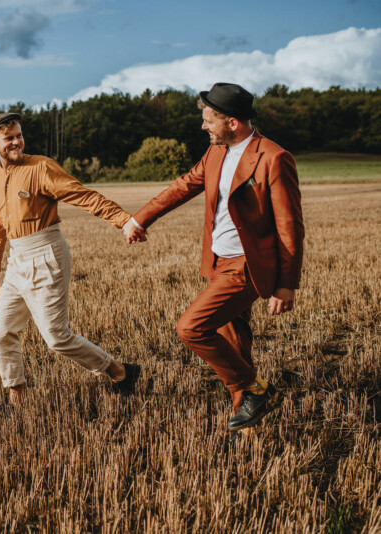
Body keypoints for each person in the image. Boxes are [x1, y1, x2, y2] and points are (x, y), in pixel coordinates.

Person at [123, 82, 304, 435]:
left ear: (232, 122)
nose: (203, 126)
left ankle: (257, 390)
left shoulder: (273, 158)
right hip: (218, 262)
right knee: (235, 342)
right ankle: (248, 424)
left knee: (191, 327)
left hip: (246, 266)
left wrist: (286, 284)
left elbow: (289, 227)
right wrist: (139, 218)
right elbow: (183, 185)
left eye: (209, 120)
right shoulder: (216, 153)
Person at [0, 112, 142, 404]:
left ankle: (120, 371)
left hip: (46, 254)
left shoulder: (41, 167)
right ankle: (17, 402)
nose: (16, 142)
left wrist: (123, 220)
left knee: (56, 338)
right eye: (9, 138)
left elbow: (82, 195)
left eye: (19, 135)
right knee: (2, 332)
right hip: (16, 262)